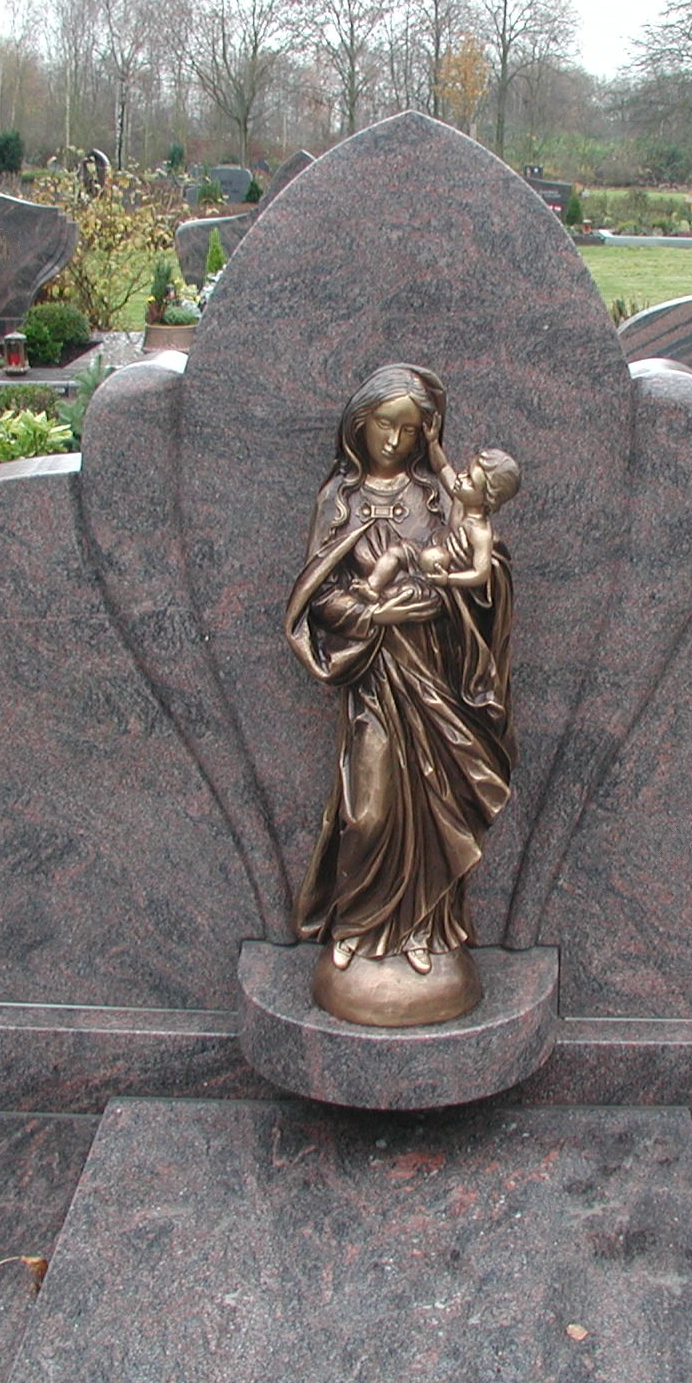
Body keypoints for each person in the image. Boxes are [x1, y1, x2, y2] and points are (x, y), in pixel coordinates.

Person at [285, 363, 516, 992]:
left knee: (435, 806)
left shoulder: (438, 496)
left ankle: (422, 930)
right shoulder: (339, 500)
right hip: (374, 679)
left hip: (434, 677)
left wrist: (462, 586)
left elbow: (480, 577)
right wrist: (372, 614)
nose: (393, 441)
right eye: (384, 425)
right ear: (359, 423)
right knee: (369, 810)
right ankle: (356, 927)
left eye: (409, 431)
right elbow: (318, 593)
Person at [355, 439, 521, 601]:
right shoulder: (460, 498)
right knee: (395, 551)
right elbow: (443, 468)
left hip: (441, 571)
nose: (461, 477)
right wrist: (433, 442)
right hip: (428, 548)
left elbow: (480, 573)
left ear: (488, 499)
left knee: (409, 593)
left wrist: (449, 579)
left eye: (470, 481)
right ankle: (372, 587)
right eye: (465, 471)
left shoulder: (480, 532)